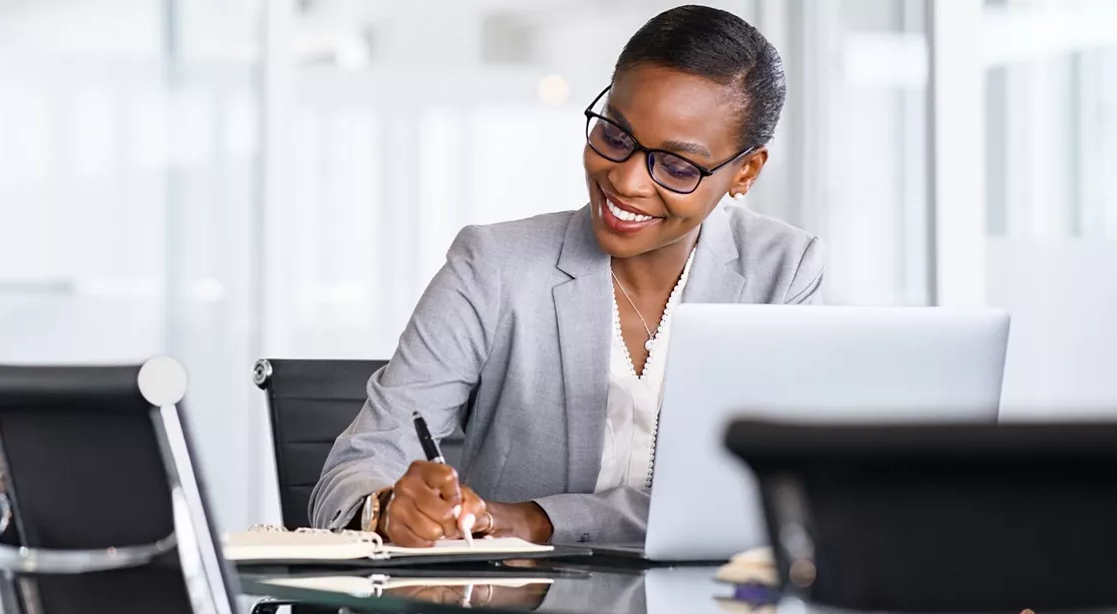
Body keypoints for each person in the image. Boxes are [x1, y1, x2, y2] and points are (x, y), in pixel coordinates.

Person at [311, 5, 824, 547]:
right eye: (615, 135)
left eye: (676, 166)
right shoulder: (494, 264)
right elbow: (358, 465)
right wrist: (385, 507)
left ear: (745, 171)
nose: (625, 180)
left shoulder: (782, 272)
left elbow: (768, 500)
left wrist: (536, 519)